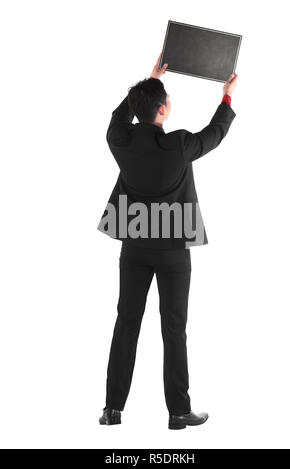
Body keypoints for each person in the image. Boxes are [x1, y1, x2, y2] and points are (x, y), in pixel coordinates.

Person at [98, 53, 238, 430]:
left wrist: (147, 82)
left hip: (135, 246)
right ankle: (178, 412)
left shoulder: (120, 141)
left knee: (126, 323)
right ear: (163, 110)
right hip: (174, 250)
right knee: (173, 328)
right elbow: (215, 134)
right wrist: (226, 97)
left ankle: (112, 409)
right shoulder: (178, 145)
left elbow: (117, 119)